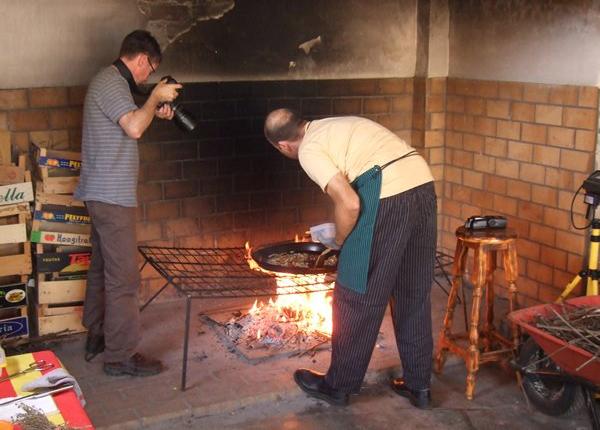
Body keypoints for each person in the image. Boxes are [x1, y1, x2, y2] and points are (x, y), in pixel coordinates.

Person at [264, 109, 437, 408]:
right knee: (413, 292)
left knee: (355, 292)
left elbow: (350, 202)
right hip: (422, 185)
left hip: (390, 197)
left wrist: (342, 241)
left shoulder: (308, 150)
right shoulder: (330, 125)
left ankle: (338, 386)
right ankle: (418, 384)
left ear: (283, 146)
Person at [74, 30, 182, 376]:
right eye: (149, 69)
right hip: (111, 196)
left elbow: (133, 122)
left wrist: (154, 108)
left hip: (103, 193)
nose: (148, 76)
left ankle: (99, 335)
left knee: (102, 267)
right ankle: (119, 357)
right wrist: (153, 100)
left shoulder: (113, 84)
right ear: (141, 60)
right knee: (124, 280)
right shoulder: (111, 83)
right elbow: (134, 128)